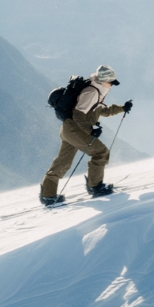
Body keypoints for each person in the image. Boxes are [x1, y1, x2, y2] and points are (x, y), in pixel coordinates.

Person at [40, 64, 133, 205]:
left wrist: (122, 108)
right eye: (111, 82)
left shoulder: (98, 90)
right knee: (101, 153)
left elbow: (102, 111)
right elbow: (78, 115)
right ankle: (95, 187)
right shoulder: (92, 92)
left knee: (63, 162)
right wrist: (91, 130)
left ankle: (48, 194)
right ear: (104, 80)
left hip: (69, 128)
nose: (112, 85)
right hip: (74, 129)